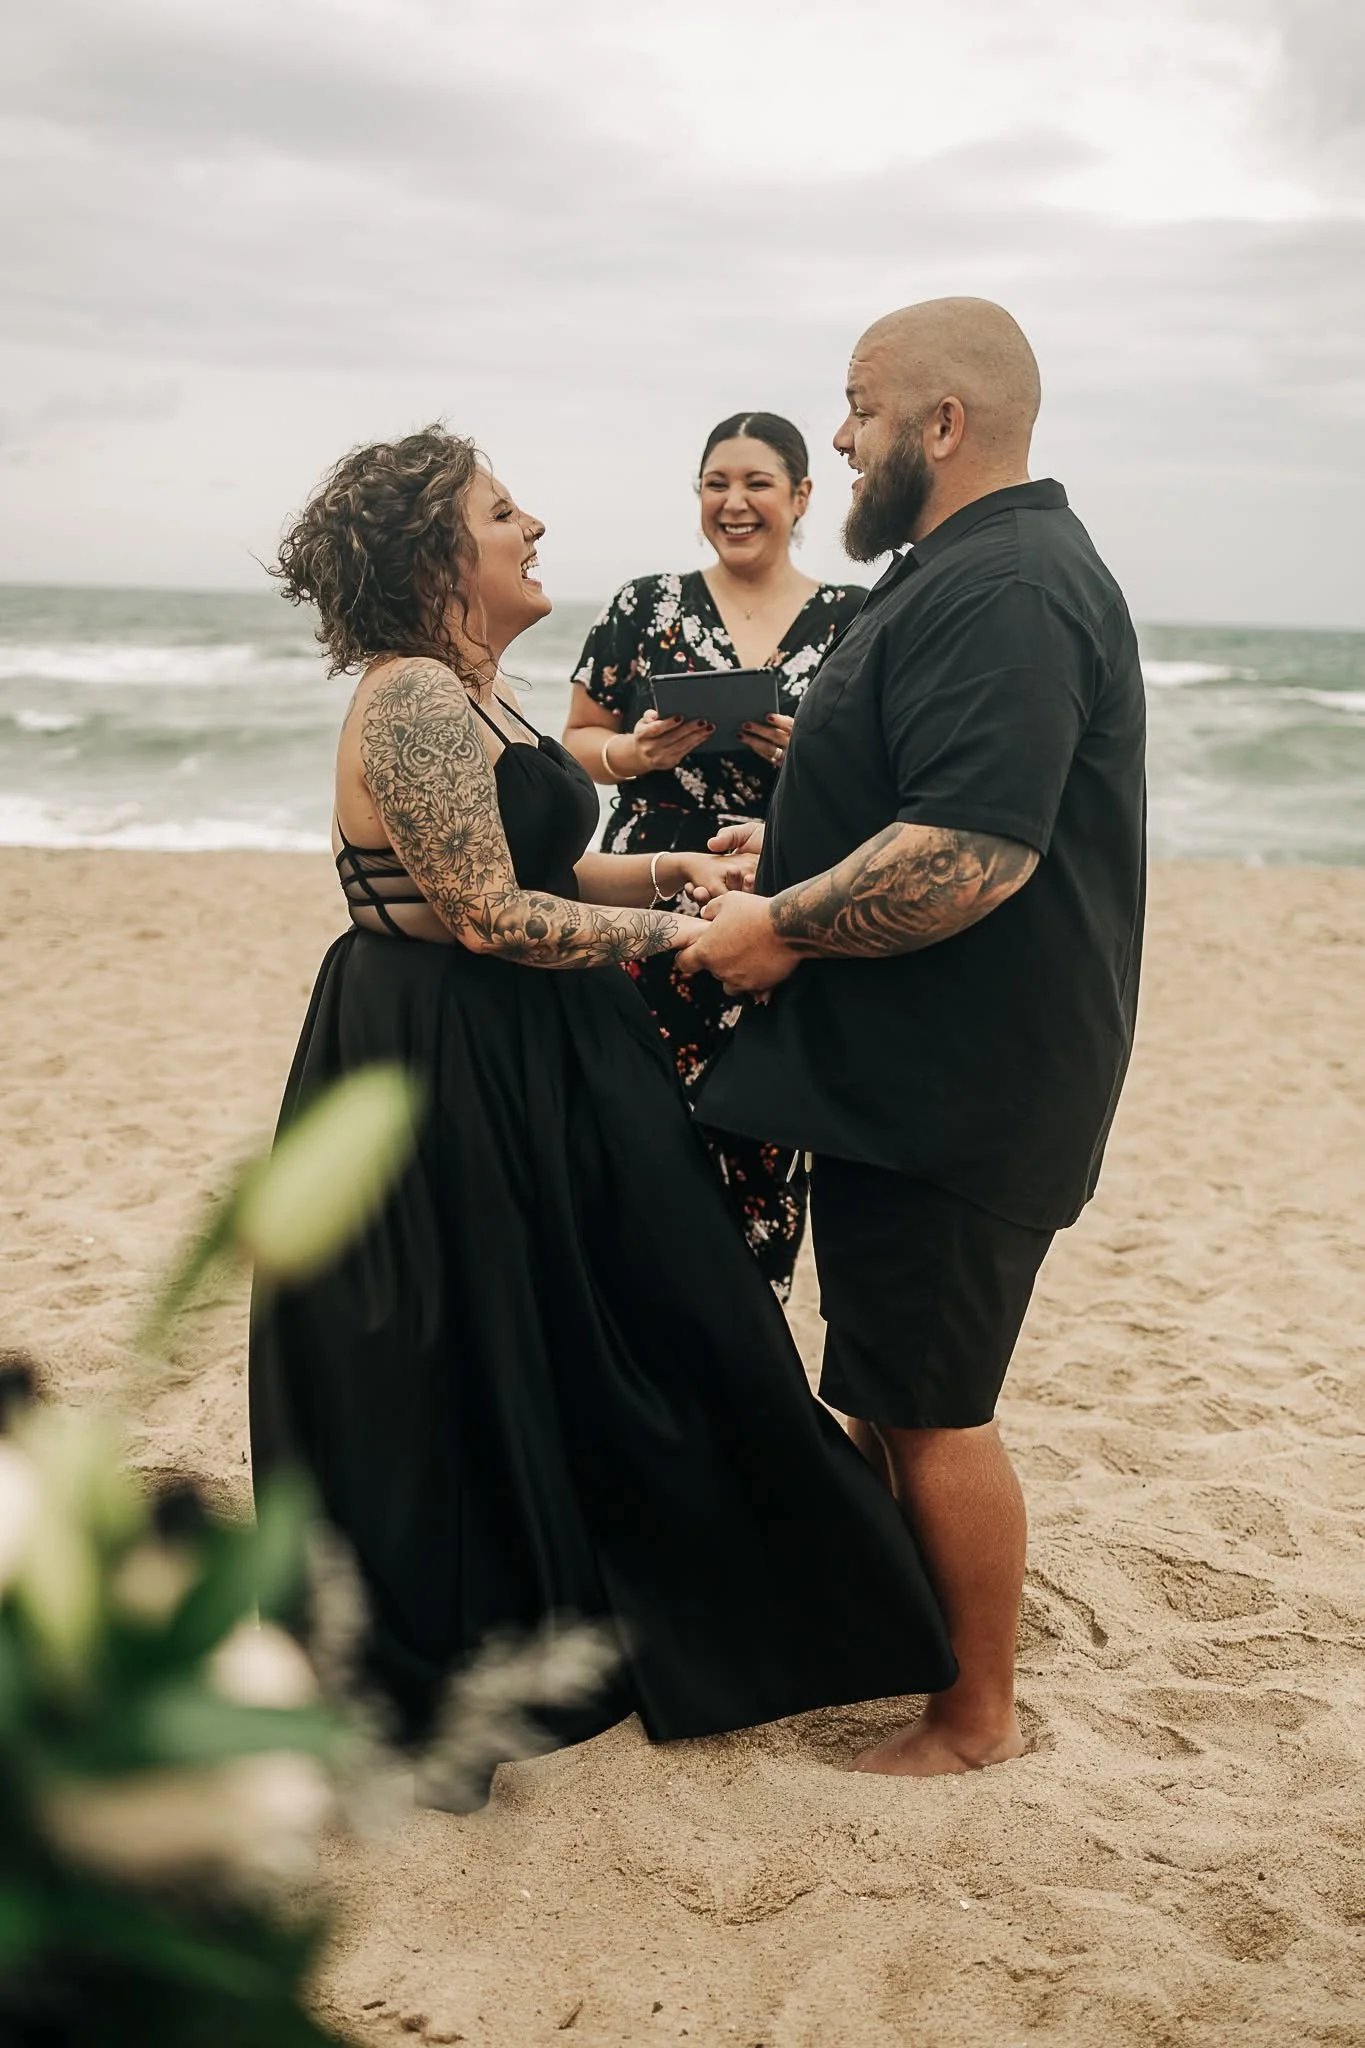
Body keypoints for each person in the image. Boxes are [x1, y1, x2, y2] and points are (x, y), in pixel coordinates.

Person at [249, 425, 954, 1767]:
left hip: (529, 1042)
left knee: (614, 1310)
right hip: (441, 1050)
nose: (534, 528)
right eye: (502, 512)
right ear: (435, 555)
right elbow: (480, 921)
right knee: (500, 1328)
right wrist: (685, 940)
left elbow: (539, 878)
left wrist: (674, 869)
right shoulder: (408, 697)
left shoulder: (480, 691)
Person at [686, 300, 1147, 1778]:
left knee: (932, 1405)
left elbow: (975, 851)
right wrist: (798, 841)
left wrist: (785, 925)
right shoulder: (957, 569)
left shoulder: (1008, 583)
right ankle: (915, 1652)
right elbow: (914, 792)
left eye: (858, 406)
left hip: (969, 1085)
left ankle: (974, 1716)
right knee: (881, 1380)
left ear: (939, 426)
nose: (837, 435)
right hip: (909, 1074)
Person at [561, 414, 865, 1298]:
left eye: (756, 483)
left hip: (781, 890)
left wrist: (806, 753)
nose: (733, 503)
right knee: (630, 1113)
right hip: (642, 885)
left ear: (801, 496)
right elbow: (575, 741)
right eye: (714, 483)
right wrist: (634, 755)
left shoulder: (855, 618)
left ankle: (748, 1328)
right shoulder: (638, 603)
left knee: (761, 1122)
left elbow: (882, 775)